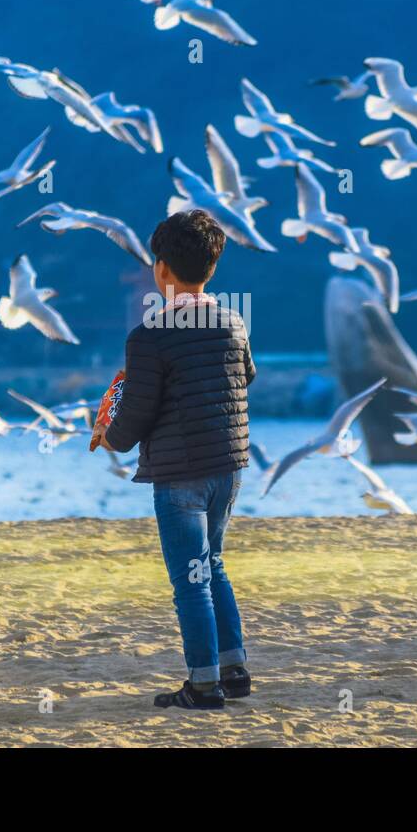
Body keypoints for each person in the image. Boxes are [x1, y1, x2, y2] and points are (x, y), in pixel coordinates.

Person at [90, 210, 255, 710]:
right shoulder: (232, 320)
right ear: (213, 265)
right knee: (214, 566)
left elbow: (134, 420)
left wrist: (106, 433)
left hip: (180, 473)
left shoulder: (149, 337)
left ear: (161, 269)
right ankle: (235, 669)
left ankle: (204, 686)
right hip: (230, 467)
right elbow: (244, 377)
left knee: (191, 581)